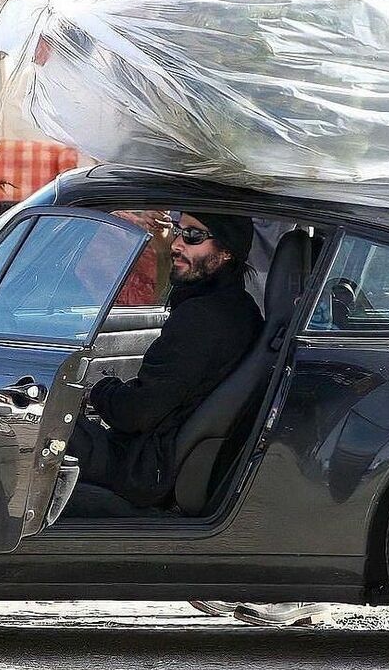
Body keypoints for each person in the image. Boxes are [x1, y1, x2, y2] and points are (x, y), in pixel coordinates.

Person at [66, 210, 261, 516]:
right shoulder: (242, 310)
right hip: (162, 459)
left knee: (51, 433)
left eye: (193, 236)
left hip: (145, 469)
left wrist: (98, 392)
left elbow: (138, 413)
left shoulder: (202, 318)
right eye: (178, 231)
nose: (176, 244)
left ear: (226, 252)